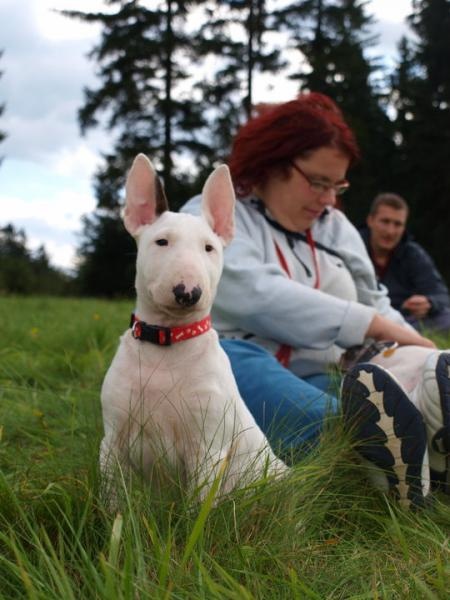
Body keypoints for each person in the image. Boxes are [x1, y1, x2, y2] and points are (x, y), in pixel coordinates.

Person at [182, 92, 449, 506]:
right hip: (232, 362)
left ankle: (417, 441)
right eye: (318, 182)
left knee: (380, 388)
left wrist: (412, 346)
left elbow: (375, 299)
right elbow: (255, 293)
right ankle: (397, 468)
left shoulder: (336, 228)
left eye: (337, 185)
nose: (328, 199)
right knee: (330, 420)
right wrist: (374, 325)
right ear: (272, 162)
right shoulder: (212, 214)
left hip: (323, 370)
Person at [359, 192, 450, 335]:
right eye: (385, 221)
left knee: (446, 317)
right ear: (370, 220)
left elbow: (441, 295)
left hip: (403, 319)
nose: (390, 231)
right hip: (363, 317)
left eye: (398, 224)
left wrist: (429, 303)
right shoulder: (353, 247)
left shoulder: (413, 253)